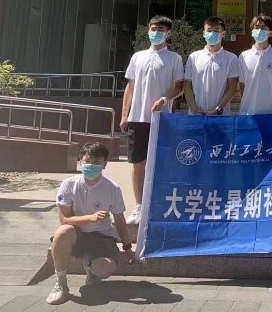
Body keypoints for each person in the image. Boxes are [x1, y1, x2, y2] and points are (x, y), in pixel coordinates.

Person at [46, 142, 136, 305]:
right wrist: (90, 218)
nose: (91, 165)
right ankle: (61, 283)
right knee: (62, 232)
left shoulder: (112, 188)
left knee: (104, 270)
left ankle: (91, 269)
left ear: (104, 164)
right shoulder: (69, 184)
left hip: (102, 237)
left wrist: (128, 247)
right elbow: (64, 219)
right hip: (77, 234)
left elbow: (120, 219)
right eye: (88, 161)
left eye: (96, 162)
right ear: (80, 161)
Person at [120, 16, 184, 224]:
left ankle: (158, 204)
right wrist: (124, 115)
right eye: (153, 29)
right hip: (138, 118)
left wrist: (165, 99)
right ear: (148, 30)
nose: (156, 33)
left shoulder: (174, 58)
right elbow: (130, 87)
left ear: (169, 33)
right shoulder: (138, 57)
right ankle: (139, 206)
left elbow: (180, 87)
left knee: (159, 164)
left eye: (161, 30)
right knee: (137, 163)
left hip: (162, 119)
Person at [184, 17, 240, 116]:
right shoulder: (193, 57)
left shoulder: (231, 58)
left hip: (220, 116)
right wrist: (194, 110)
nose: (212, 33)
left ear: (223, 34)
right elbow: (187, 86)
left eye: (216, 31)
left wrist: (218, 110)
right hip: (196, 116)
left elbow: (232, 88)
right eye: (209, 30)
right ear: (203, 34)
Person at [238, 14, 272, 115]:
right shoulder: (243, 56)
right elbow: (241, 84)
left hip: (271, 112)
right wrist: (248, 102)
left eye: (263, 28)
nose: (259, 31)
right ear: (252, 32)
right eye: (256, 27)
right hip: (248, 113)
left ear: (270, 33)